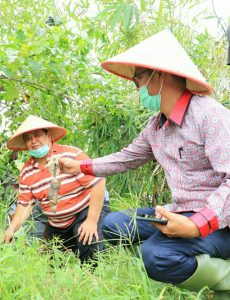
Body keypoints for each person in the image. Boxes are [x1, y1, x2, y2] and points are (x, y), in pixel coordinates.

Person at [58, 29, 230, 293]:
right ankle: (184, 261)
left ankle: (221, 281)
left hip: (219, 222)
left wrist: (197, 225)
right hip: (181, 210)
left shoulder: (210, 116)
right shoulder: (155, 127)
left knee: (155, 256)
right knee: (114, 225)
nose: (136, 87)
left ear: (158, 75)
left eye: (138, 79)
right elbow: (126, 158)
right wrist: (79, 166)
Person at [3, 115, 107, 264]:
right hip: (57, 222)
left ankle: (93, 277)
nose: (33, 141)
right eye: (28, 138)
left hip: (83, 212)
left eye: (37, 135)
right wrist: (11, 229)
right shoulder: (26, 172)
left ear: (48, 135)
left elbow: (98, 182)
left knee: (88, 242)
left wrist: (91, 221)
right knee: (50, 262)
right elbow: (24, 205)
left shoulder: (70, 154)